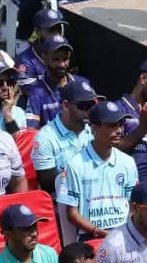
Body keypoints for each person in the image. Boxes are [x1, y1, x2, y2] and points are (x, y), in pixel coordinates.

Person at [58, 100, 139, 242]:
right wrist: (98, 232)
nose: (119, 130)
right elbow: (71, 214)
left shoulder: (128, 162)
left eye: (120, 124)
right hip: (90, 237)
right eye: (112, 125)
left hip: (123, 234)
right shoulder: (75, 165)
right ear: (94, 128)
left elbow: (133, 204)